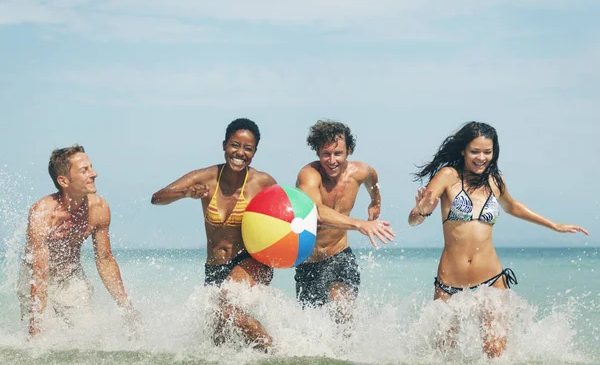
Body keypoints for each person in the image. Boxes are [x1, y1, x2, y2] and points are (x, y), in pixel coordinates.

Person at [408, 121, 588, 358]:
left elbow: (513, 206)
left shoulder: (495, 181)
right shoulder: (448, 176)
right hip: (450, 281)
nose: (481, 157)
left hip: (491, 279)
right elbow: (413, 220)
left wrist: (554, 225)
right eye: (475, 151)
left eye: (487, 152)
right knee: (442, 354)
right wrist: (421, 210)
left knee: (495, 353)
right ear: (463, 150)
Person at [151, 118, 276, 351]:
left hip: (250, 261)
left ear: (254, 152)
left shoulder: (262, 182)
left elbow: (284, 215)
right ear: (224, 145)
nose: (240, 153)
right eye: (234, 145)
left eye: (248, 148)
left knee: (226, 305)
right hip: (214, 267)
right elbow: (157, 198)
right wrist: (186, 193)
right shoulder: (206, 177)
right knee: (218, 342)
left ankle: (274, 350)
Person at [18, 144, 138, 338]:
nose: (94, 173)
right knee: (41, 340)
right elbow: (39, 270)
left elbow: (105, 259)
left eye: (91, 167)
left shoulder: (98, 208)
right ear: (64, 180)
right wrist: (36, 324)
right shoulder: (42, 213)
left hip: (71, 278)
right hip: (35, 279)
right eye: (85, 170)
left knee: (88, 338)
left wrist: (125, 305)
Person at [295, 120, 395, 323]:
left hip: (339, 255)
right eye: (326, 154)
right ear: (317, 152)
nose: (332, 160)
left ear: (348, 151)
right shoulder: (309, 175)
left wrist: (375, 202)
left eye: (338, 154)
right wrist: (359, 223)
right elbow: (317, 211)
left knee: (342, 309)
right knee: (312, 329)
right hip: (308, 262)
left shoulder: (360, 171)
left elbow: (372, 178)